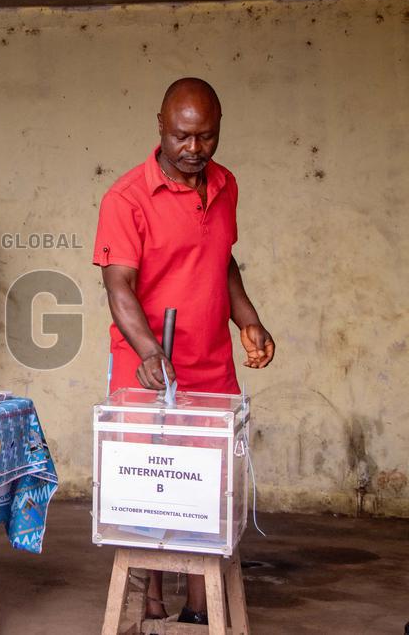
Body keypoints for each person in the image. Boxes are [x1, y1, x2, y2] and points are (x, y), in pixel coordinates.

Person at [93, 78, 275, 624]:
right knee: (153, 482)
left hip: (212, 363)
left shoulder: (225, 185)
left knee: (209, 486)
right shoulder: (125, 199)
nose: (193, 150)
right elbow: (118, 285)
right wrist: (149, 350)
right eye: (182, 137)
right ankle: (150, 595)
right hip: (147, 366)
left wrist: (248, 319)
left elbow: (221, 260)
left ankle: (200, 606)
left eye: (206, 137)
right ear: (160, 126)